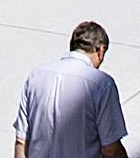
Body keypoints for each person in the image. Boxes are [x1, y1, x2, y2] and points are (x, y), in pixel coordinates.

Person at [12, 22, 129, 158]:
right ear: (100, 50)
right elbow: (111, 149)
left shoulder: (36, 75)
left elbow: (21, 142)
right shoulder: (102, 84)